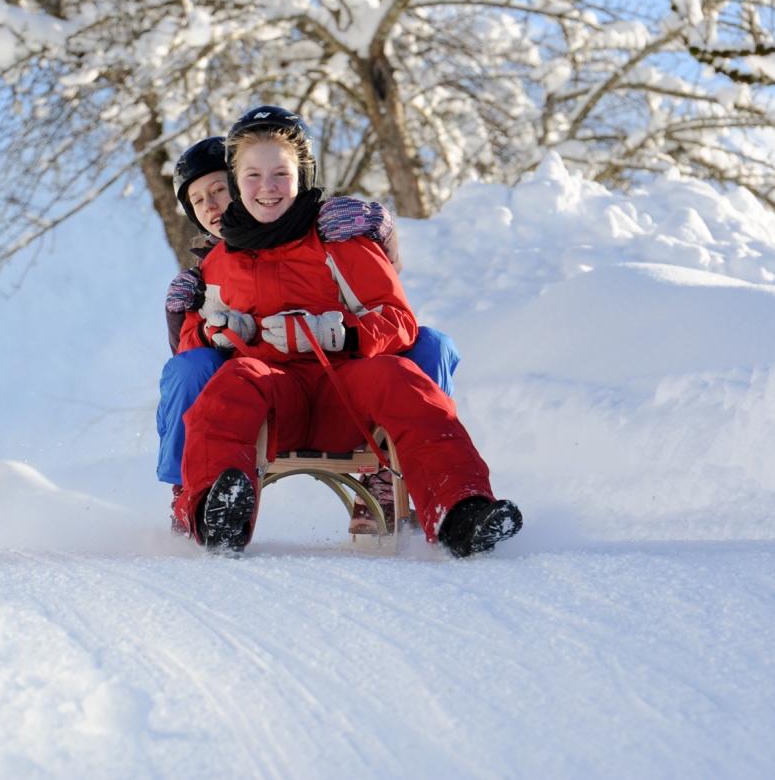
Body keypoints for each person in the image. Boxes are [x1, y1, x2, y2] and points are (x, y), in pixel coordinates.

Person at [173, 105, 522, 556]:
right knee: (231, 385)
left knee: (403, 381)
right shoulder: (219, 263)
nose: (268, 188)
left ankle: (460, 511)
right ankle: (213, 516)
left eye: (281, 173)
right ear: (237, 183)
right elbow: (189, 348)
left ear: (303, 174)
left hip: (347, 391)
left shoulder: (338, 238)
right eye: (253, 176)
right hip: (277, 400)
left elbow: (400, 321)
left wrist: (340, 335)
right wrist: (216, 333)